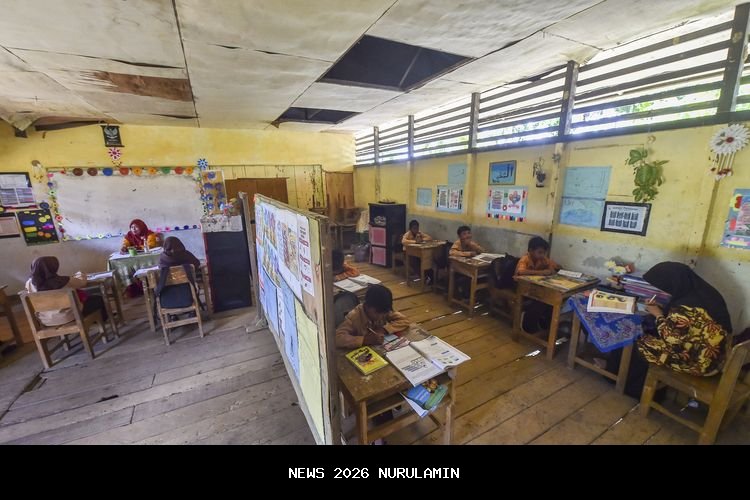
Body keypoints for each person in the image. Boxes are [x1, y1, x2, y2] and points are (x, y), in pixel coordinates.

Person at [638, 262, 732, 376]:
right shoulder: (705, 293)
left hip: (699, 363)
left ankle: (636, 384)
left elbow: (671, 338)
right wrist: (663, 310)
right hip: (718, 357)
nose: (660, 291)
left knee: (637, 342)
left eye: (662, 287)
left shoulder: (684, 308)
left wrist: (658, 314)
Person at [25, 256, 107, 326]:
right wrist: (80, 274)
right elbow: (82, 282)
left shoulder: (29, 283)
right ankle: (100, 323)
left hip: (45, 320)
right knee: (98, 299)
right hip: (68, 316)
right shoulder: (62, 281)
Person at [335, 284, 410, 349]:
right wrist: (364, 340)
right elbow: (337, 338)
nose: (381, 317)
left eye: (384, 313)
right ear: (367, 306)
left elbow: (404, 320)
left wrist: (383, 329)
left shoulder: (384, 310)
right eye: (377, 313)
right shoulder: (353, 317)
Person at [515, 236, 561, 333]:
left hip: (533, 287)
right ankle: (527, 322)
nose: (542, 255)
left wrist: (552, 268)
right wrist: (542, 272)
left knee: (550, 301)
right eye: (539, 252)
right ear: (531, 251)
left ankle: (543, 324)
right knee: (541, 301)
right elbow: (521, 271)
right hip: (520, 287)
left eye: (544, 253)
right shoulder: (525, 259)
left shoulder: (542, 259)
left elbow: (556, 266)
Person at [156, 236, 202, 310]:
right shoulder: (186, 254)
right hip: (187, 288)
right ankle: (193, 311)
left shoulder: (162, 258)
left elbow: (160, 269)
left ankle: (170, 314)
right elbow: (197, 264)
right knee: (194, 285)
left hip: (168, 292)